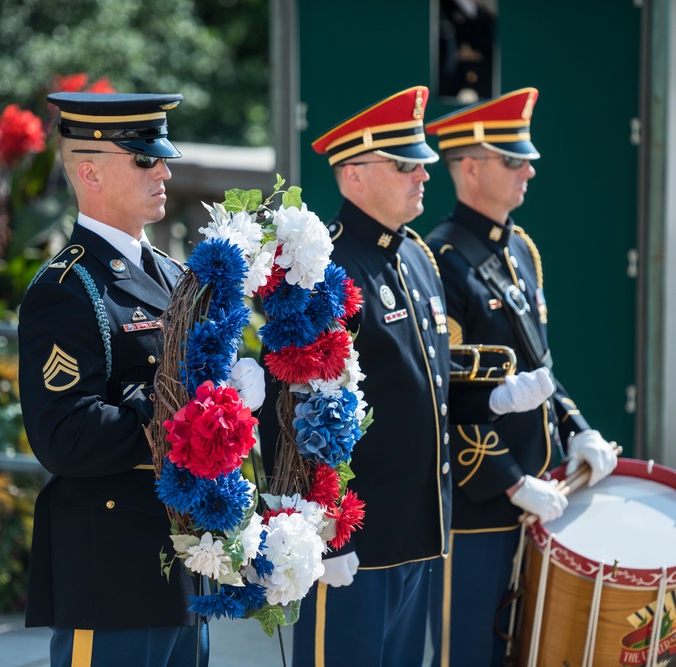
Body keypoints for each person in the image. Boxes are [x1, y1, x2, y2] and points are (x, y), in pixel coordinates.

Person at [258, 86, 554, 667]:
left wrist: (493, 398)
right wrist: (316, 530)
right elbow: (290, 409)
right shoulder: (323, 268)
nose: (422, 174)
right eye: (404, 164)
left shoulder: (416, 255)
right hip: (354, 545)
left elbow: (429, 388)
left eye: (420, 162)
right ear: (353, 176)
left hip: (420, 533)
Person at [18, 92, 265, 667]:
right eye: (143, 160)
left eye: (161, 157)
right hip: (111, 572)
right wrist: (189, 410)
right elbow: (64, 435)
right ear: (89, 172)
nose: (163, 170)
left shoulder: (176, 275)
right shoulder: (69, 288)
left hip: (183, 569)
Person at [423, 87, 619, 666]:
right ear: (469, 167)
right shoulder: (442, 259)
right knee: (470, 650)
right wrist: (508, 480)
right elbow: (446, 396)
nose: (529, 169)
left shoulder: (521, 250)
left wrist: (578, 426)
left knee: (527, 646)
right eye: (513, 160)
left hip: (544, 486)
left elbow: (540, 364)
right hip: (480, 499)